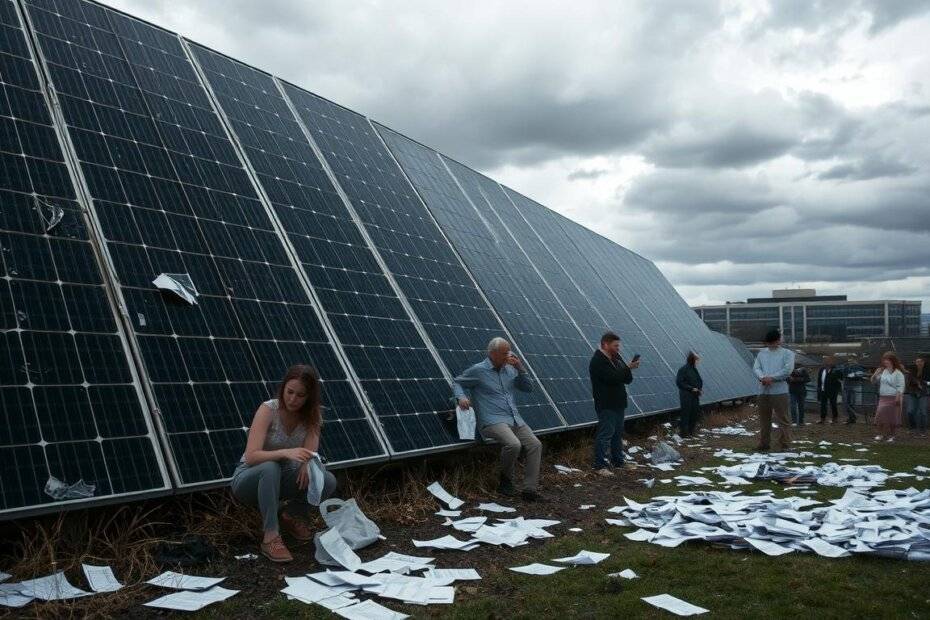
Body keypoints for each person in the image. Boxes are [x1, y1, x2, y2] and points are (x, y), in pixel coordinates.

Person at [230, 365, 338, 563]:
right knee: (270, 466)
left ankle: (291, 515)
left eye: (300, 395)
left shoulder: (312, 416)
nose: (292, 399)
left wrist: (308, 463)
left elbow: (310, 453)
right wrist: (284, 452)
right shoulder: (268, 410)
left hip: (282, 477)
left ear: (309, 397)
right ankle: (270, 536)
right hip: (249, 478)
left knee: (326, 479)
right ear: (283, 389)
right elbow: (251, 456)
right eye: (289, 392)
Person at [453, 337, 543, 501]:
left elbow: (528, 388)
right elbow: (457, 382)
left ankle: (529, 490)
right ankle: (505, 480)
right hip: (492, 420)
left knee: (535, 445)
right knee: (513, 444)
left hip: (514, 419)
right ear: (492, 354)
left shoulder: (510, 369)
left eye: (509, 352)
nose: (508, 355)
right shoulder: (478, 370)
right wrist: (461, 397)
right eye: (504, 353)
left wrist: (519, 367)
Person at [589, 332, 639, 476]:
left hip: (618, 402)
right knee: (606, 434)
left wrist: (628, 368)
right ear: (605, 344)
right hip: (606, 404)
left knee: (617, 434)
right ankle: (599, 465)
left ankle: (618, 461)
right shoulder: (598, 361)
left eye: (618, 345)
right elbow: (612, 378)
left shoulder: (616, 358)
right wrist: (627, 368)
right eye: (615, 345)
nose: (618, 348)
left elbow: (627, 379)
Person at [752, 328, 794, 452]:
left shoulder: (787, 353)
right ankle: (764, 443)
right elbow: (756, 367)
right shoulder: (762, 353)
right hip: (763, 389)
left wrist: (772, 378)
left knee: (783, 418)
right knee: (764, 419)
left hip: (779, 390)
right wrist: (763, 377)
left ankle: (785, 443)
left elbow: (787, 370)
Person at [871, 352, 905, 442]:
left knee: (892, 418)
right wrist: (875, 374)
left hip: (894, 397)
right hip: (883, 397)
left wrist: (898, 397)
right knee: (879, 415)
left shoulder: (898, 373)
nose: (885, 361)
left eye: (888, 360)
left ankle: (892, 435)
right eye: (884, 360)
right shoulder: (883, 371)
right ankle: (880, 434)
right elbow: (873, 381)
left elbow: (901, 386)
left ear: (892, 361)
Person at [676, 351, 703, 437]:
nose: (698, 361)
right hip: (686, 395)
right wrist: (691, 388)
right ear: (692, 359)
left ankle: (691, 432)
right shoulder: (683, 369)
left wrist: (699, 390)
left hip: (695, 395)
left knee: (694, 413)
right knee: (686, 414)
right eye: (697, 359)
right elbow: (679, 382)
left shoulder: (694, 369)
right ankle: (684, 434)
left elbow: (698, 381)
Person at [903, 355, 929, 436]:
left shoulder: (927, 370)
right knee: (910, 411)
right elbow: (910, 379)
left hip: (923, 393)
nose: (918, 363)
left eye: (920, 361)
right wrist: (918, 383)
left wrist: (923, 383)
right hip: (912, 393)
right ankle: (912, 428)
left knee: (923, 412)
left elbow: (927, 381)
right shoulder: (912, 369)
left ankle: (923, 430)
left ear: (923, 362)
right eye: (917, 362)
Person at [816, 356, 842, 424]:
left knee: (833, 404)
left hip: (832, 391)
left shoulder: (836, 370)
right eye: (825, 360)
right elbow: (819, 380)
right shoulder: (822, 369)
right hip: (823, 390)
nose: (825, 362)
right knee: (823, 405)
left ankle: (835, 418)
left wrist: (837, 389)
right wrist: (819, 388)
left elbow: (839, 380)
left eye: (827, 360)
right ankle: (822, 419)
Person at [841, 358, 868, 424]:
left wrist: (854, 375)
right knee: (847, 403)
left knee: (852, 403)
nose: (850, 362)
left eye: (852, 361)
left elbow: (861, 375)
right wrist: (854, 375)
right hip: (847, 387)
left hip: (855, 387)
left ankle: (853, 417)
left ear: (856, 361)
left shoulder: (859, 367)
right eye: (849, 361)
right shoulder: (846, 368)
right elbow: (845, 375)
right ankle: (851, 417)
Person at [788, 362, 811, 426]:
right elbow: (787, 379)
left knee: (801, 407)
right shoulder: (789, 370)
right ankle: (794, 421)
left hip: (801, 391)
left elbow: (808, 379)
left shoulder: (804, 370)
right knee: (793, 406)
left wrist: (797, 379)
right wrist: (791, 379)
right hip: (793, 391)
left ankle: (801, 421)